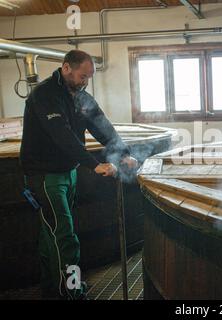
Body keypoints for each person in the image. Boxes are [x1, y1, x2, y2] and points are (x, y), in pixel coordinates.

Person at [19, 50, 138, 299]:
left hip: (67, 173)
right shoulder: (44, 95)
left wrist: (123, 152)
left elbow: (101, 124)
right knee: (64, 236)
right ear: (66, 68)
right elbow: (61, 135)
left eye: (89, 78)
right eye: (83, 76)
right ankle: (72, 291)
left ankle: (52, 288)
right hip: (46, 176)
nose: (85, 82)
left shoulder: (81, 96)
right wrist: (93, 164)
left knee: (50, 233)